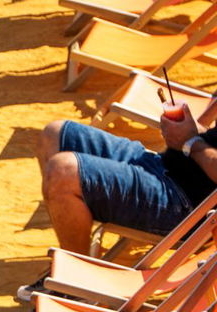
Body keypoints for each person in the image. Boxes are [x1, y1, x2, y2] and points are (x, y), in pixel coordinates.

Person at [35, 101, 217, 256]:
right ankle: (71, 259)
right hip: (167, 166)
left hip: (190, 207)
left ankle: (74, 276)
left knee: (62, 172)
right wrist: (192, 130)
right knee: (54, 134)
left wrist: (191, 142)